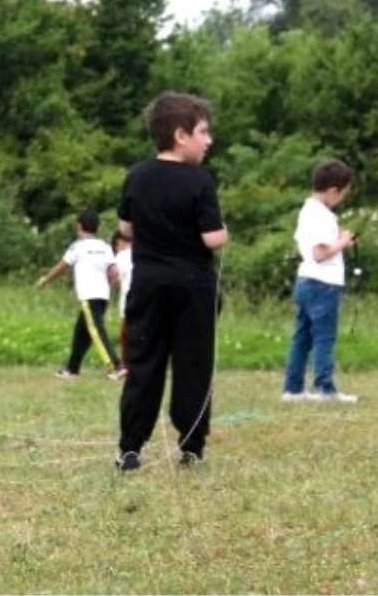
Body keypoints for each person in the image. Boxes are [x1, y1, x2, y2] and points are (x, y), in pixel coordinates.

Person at [115, 92, 229, 471]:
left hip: (147, 284)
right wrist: (224, 232)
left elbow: (125, 228)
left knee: (143, 363)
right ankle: (191, 447)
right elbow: (212, 238)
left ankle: (131, 448)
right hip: (193, 287)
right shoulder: (200, 180)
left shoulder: (137, 175)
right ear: (181, 135)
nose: (208, 140)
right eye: (203, 132)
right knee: (192, 365)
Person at [282, 159, 358, 403]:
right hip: (323, 285)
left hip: (306, 281)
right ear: (334, 190)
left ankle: (292, 389)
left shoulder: (307, 210)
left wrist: (339, 241)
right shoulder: (324, 216)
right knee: (324, 338)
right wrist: (343, 241)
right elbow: (320, 253)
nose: (343, 198)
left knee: (302, 337)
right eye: (343, 193)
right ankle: (326, 389)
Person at [35, 210, 122, 380]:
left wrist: (45, 280)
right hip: (102, 296)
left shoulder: (77, 247)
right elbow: (114, 273)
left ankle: (116, 366)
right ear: (97, 228)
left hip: (89, 296)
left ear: (79, 226)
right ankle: (71, 369)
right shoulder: (104, 247)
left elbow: (62, 266)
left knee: (96, 331)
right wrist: (109, 287)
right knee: (81, 333)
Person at [111, 228, 133, 380]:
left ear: (119, 242)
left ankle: (125, 367)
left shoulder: (121, 255)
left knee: (124, 336)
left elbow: (115, 279)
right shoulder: (142, 252)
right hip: (146, 298)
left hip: (128, 300)